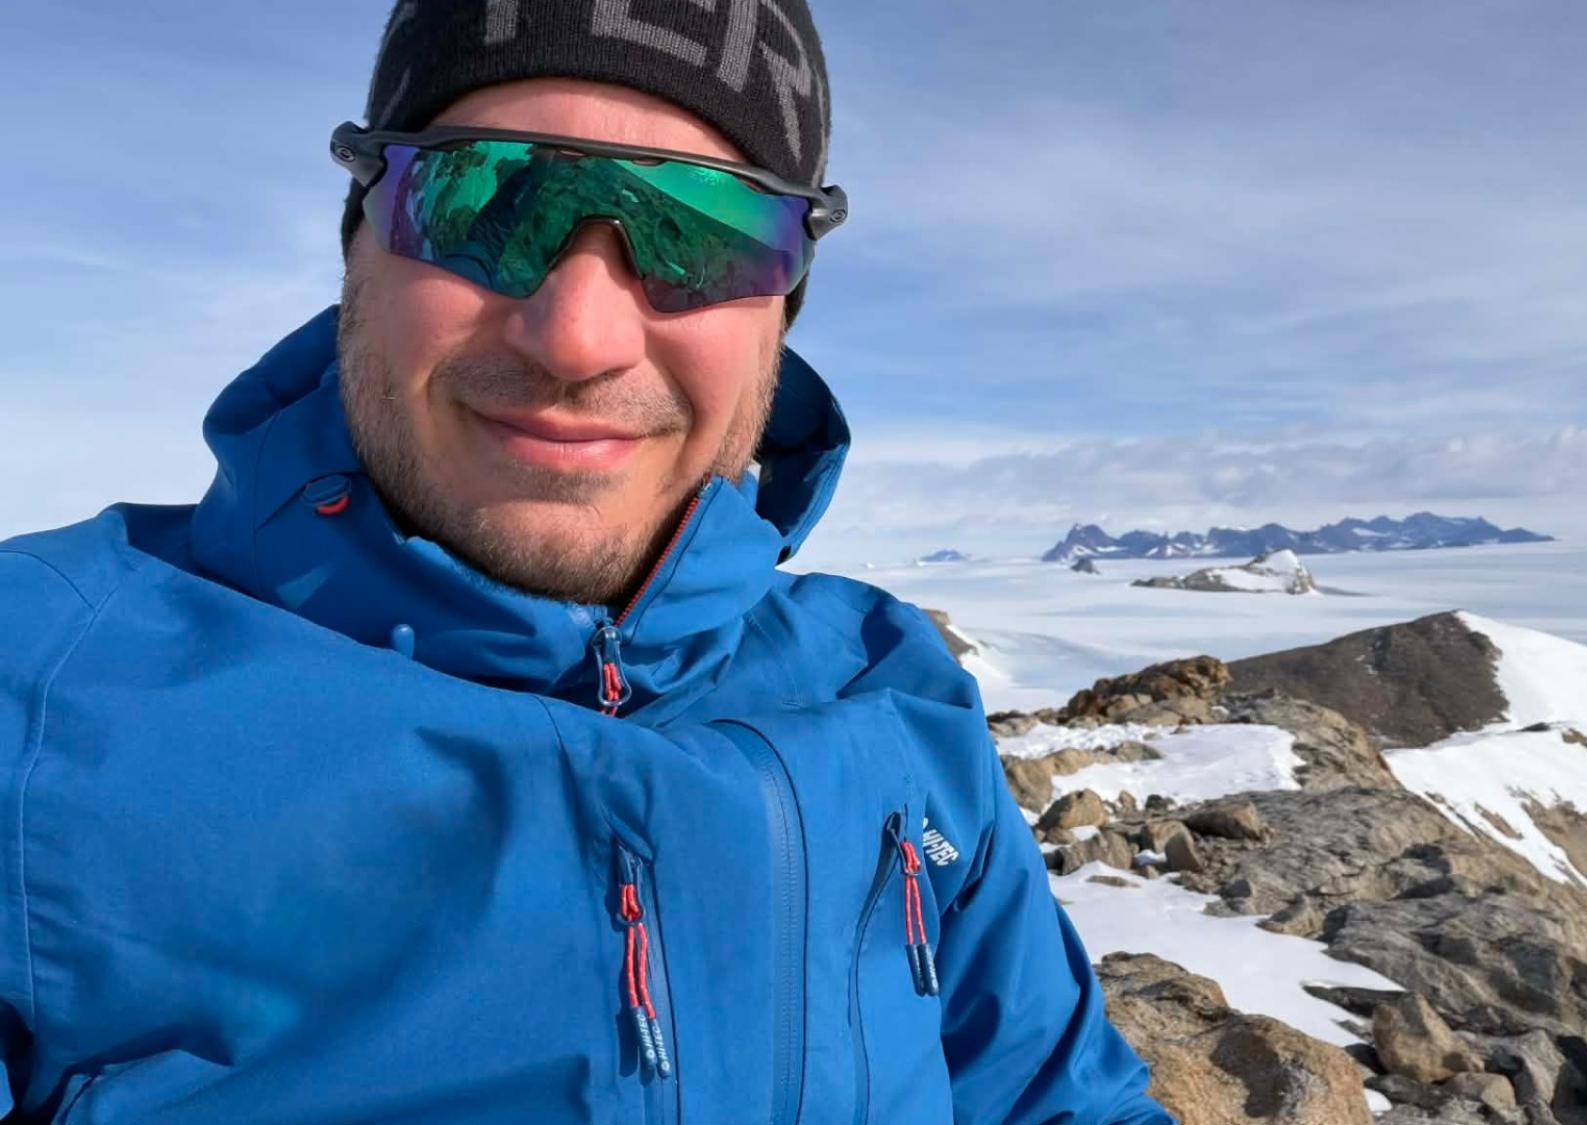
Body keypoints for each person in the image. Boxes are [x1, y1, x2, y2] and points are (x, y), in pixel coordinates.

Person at [0, 3, 1170, 1121]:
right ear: (361, 241)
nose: (577, 334)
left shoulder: (886, 683)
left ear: (782, 306)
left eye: (698, 230)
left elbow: (1054, 1099)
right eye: (481, 198)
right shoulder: (35, 688)